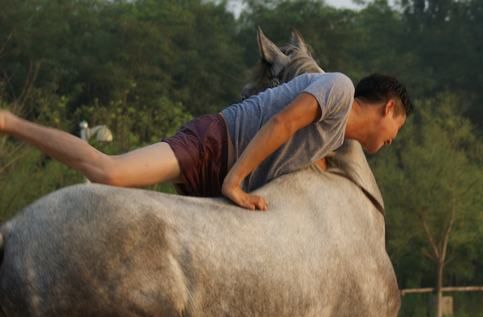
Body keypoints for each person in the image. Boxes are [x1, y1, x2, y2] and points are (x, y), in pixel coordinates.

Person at [0, 72, 412, 210]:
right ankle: (11, 122)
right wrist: (234, 181)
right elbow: (282, 123)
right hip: (215, 144)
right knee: (109, 171)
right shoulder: (338, 88)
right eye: (398, 127)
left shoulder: (336, 139)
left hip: (229, 178)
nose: (393, 139)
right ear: (388, 107)